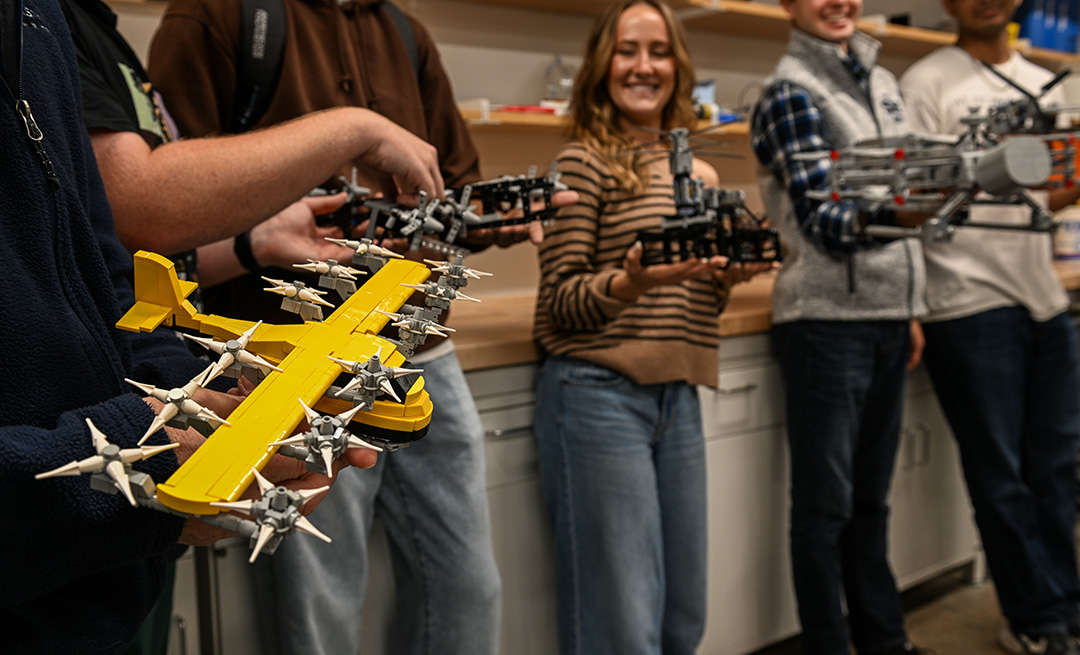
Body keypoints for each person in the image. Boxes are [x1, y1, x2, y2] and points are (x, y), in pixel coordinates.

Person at [146, 2, 554, 653]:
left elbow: (455, 188)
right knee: (321, 607)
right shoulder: (219, 16)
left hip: (420, 347)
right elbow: (161, 202)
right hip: (298, 361)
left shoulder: (404, 32)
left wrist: (492, 218)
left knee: (468, 588)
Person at [0, 1, 375, 651]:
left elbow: (103, 263)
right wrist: (132, 461)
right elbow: (142, 210)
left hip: (99, 589)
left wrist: (187, 397)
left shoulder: (43, 18)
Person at [533, 2, 773, 653]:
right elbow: (558, 305)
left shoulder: (700, 174)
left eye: (660, 51)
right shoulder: (580, 164)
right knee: (622, 627)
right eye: (628, 50)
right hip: (596, 393)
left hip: (679, 396)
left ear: (680, 66)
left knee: (681, 620)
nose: (645, 66)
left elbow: (696, 305)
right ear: (601, 65)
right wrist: (633, 280)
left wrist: (725, 274)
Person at [749, 0, 932, 653]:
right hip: (825, 323)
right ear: (789, 5)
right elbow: (828, 224)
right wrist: (921, 210)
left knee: (870, 505)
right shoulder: (789, 93)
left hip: (887, 316)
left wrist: (908, 305)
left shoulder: (883, 85)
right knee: (826, 511)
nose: (839, 2)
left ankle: (886, 641)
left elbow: (904, 187)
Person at [900, 1, 1080, 653]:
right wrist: (913, 305)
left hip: (1043, 298)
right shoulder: (924, 82)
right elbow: (909, 201)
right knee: (1000, 474)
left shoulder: (1042, 81)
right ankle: (1036, 618)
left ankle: (1063, 604)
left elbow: (1050, 189)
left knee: (1057, 467)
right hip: (966, 299)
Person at [57, 0, 444, 296]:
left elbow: (125, 247)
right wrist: (354, 129)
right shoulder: (44, 22)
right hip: (261, 344)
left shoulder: (91, 25)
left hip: (406, 322)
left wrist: (257, 241)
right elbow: (143, 210)